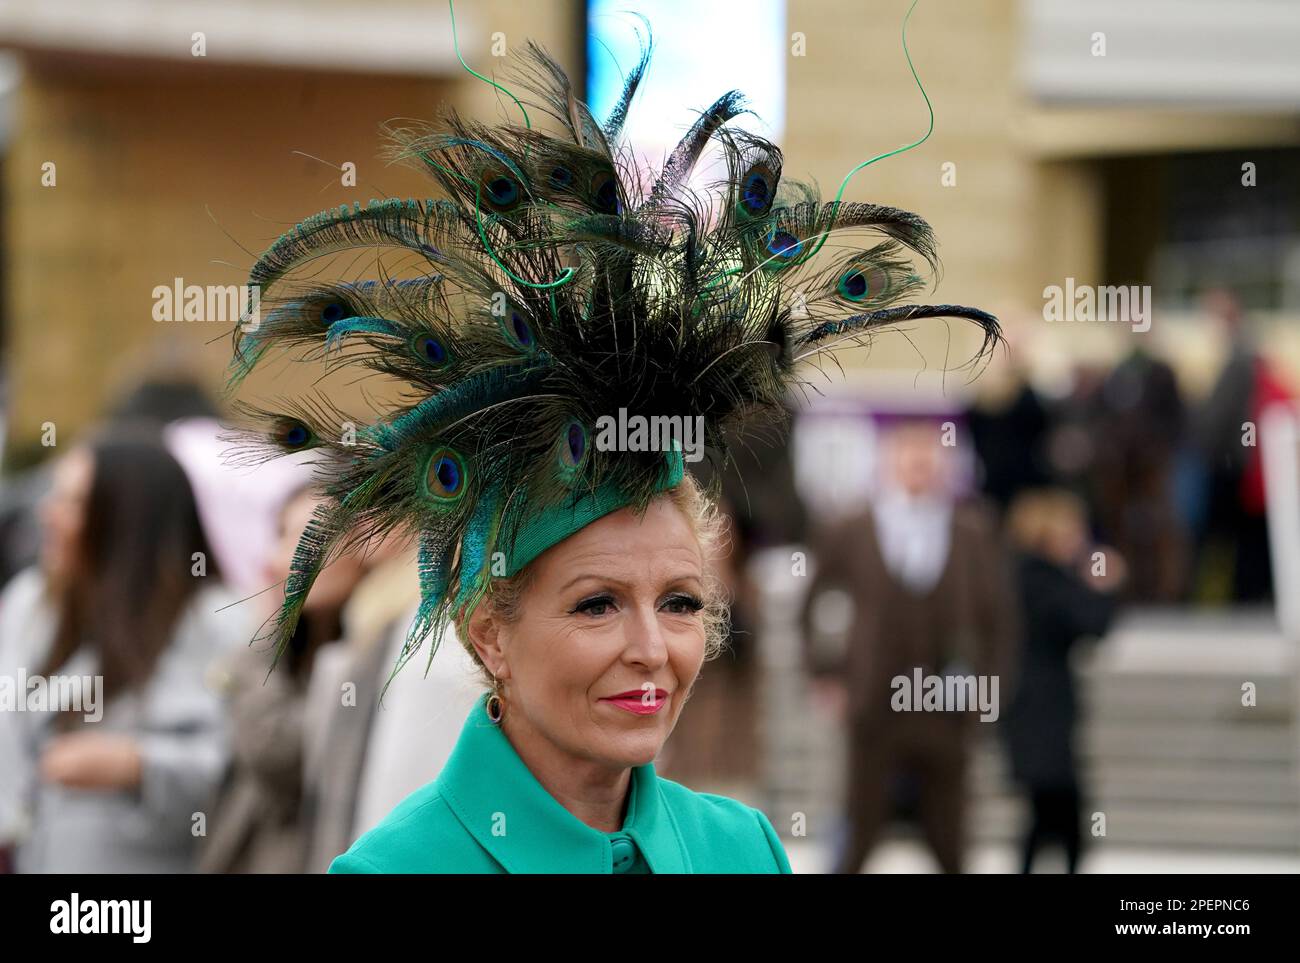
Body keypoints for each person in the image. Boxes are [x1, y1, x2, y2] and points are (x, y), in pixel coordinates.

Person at [225, 26, 998, 873]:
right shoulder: (394, 870)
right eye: (597, 603)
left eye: (681, 602)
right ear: (489, 631)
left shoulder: (745, 851)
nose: (652, 648)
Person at [0, 426, 245, 873]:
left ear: (128, 519)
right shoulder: (32, 604)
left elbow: (245, 767)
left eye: (72, 502)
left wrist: (137, 765)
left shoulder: (217, 620)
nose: (46, 513)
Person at [800, 417, 1018, 874]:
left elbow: (1000, 619)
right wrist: (825, 673)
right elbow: (812, 601)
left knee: (951, 836)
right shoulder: (855, 527)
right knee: (860, 828)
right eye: (909, 458)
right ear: (889, 464)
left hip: (946, 708)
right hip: (874, 705)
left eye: (928, 460)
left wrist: (990, 689)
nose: (918, 469)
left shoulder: (972, 531)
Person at [1001, 488, 1124, 873]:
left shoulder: (1026, 575)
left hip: (1033, 708)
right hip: (1038, 711)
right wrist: (1104, 585)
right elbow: (1091, 624)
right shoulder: (1040, 580)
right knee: (1059, 810)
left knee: (1049, 813)